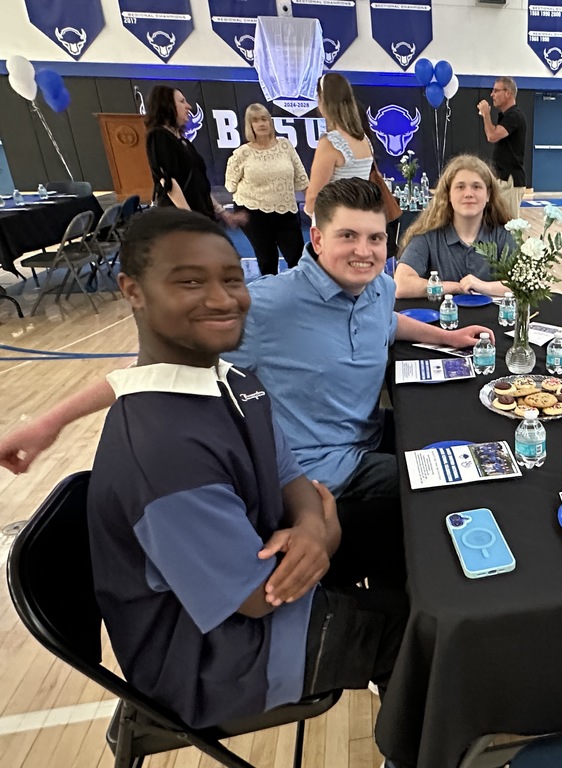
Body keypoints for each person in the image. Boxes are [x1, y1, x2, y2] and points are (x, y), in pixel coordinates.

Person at [0, 179, 490, 588]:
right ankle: (402, 615)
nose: (364, 252)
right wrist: (51, 422)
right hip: (320, 475)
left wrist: (447, 336)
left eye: (375, 239)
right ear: (316, 239)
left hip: (361, 435)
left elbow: (389, 321)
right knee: (445, 491)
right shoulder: (265, 306)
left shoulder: (378, 285)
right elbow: (158, 369)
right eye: (348, 237)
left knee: (462, 434)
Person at [88, 207, 407, 752]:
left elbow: (289, 475)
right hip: (217, 659)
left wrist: (308, 521)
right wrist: (321, 537)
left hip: (261, 572)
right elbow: (261, 597)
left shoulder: (232, 380)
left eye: (232, 279)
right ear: (133, 291)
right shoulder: (162, 454)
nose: (221, 298)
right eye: (190, 281)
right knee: (423, 629)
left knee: (418, 539)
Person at [394, 154, 515, 298]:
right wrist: (455, 287)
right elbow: (401, 285)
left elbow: (522, 285)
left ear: (488, 194)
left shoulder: (503, 234)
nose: (468, 194)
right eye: (460, 187)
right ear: (448, 195)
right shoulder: (427, 236)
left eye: (476, 187)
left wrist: (481, 286)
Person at [225, 103, 310, 275]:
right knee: (267, 261)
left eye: (264, 119)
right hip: (253, 212)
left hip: (286, 210)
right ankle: (271, 298)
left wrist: (312, 206)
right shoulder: (242, 153)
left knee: (298, 259)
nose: (261, 123)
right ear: (250, 125)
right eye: (255, 120)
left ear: (270, 122)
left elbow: (301, 178)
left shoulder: (285, 145)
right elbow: (230, 185)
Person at [144, 85, 245, 227]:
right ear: (167, 105)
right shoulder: (159, 136)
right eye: (182, 101)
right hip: (181, 223)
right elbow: (168, 182)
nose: (189, 106)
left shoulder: (182, 140)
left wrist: (222, 212)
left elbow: (198, 183)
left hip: (200, 217)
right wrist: (191, 220)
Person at [304, 73, 375, 222]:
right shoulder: (364, 139)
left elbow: (314, 194)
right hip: (360, 218)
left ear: (323, 101)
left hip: (333, 221)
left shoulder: (330, 143)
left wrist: (311, 214)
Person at [477, 77, 527, 212]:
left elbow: (492, 136)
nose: (492, 95)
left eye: (495, 91)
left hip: (510, 181)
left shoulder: (515, 116)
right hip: (502, 179)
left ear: (508, 93)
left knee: (510, 225)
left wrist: (486, 114)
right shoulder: (506, 116)